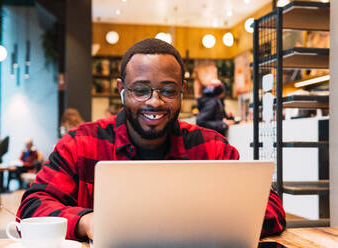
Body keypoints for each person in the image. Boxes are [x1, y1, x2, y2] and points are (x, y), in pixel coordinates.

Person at [17, 38, 285, 241]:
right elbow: (33, 204)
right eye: (141, 90)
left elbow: (271, 207)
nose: (155, 102)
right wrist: (87, 222)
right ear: (122, 91)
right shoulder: (81, 143)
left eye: (168, 90)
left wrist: (201, 223)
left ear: (183, 91)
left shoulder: (210, 147)